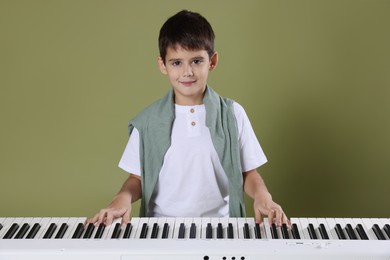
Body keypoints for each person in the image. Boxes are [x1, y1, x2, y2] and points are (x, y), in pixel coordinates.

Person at [88, 10, 289, 228]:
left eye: (196, 61)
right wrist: (121, 198)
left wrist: (263, 197)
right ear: (162, 65)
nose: (187, 72)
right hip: (160, 230)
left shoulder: (232, 114)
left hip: (221, 229)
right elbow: (137, 179)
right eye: (176, 63)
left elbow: (248, 172)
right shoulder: (146, 123)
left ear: (212, 61)